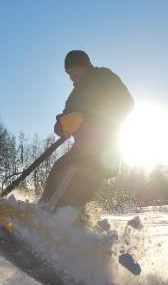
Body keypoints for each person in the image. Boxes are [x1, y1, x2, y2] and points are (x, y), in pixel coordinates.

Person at [39, 50, 134, 213]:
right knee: (60, 169)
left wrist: (87, 116)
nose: (71, 76)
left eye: (73, 70)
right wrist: (62, 125)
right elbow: (65, 119)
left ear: (84, 65)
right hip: (83, 151)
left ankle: (44, 216)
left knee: (68, 180)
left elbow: (126, 103)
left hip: (101, 150)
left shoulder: (103, 77)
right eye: (68, 73)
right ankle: (64, 223)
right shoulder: (74, 96)